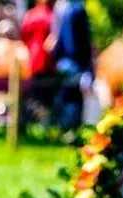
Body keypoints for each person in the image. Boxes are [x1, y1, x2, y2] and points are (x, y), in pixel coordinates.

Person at [47, 0, 92, 133]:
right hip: (75, 61)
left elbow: (55, 36)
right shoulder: (77, 8)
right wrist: (87, 64)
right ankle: (71, 131)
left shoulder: (59, 7)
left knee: (65, 96)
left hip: (62, 60)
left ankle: (62, 128)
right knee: (74, 98)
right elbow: (82, 39)